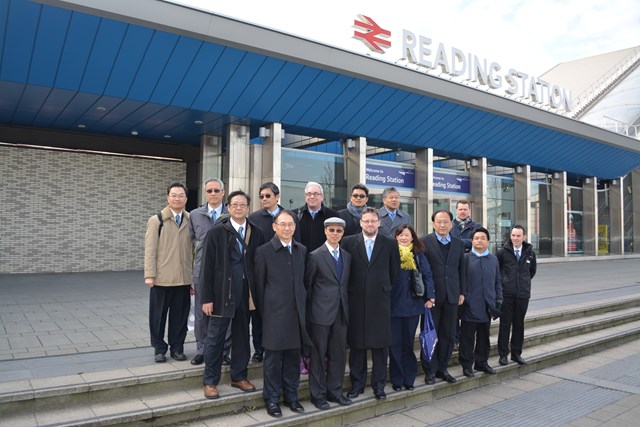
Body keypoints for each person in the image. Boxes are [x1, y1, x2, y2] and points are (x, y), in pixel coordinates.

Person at [200, 190, 265, 400]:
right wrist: (206, 298)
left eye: (243, 205)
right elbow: (206, 267)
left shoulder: (256, 232)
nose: (239, 208)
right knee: (215, 339)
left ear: (248, 208)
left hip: (246, 295)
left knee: (241, 338)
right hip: (221, 295)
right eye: (235, 204)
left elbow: (260, 265)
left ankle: (239, 376)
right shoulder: (217, 232)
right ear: (228, 207)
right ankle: (210, 381)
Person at [254, 210, 312, 418]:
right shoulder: (263, 252)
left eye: (290, 225)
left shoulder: (301, 250)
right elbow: (258, 287)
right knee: (272, 360)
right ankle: (271, 399)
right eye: (283, 224)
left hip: (297, 313)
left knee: (292, 358)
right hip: (274, 314)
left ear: (295, 227)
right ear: (274, 227)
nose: (287, 228)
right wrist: (267, 310)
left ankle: (291, 396)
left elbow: (304, 281)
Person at [341, 207, 400, 400]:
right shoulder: (348, 242)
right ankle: (357, 385)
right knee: (357, 347)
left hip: (380, 303)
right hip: (356, 302)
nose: (369, 224)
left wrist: (384, 289)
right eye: (366, 221)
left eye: (373, 221)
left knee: (380, 348)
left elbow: (394, 273)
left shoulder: (390, 243)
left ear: (379, 222)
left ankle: (379, 386)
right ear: (360, 222)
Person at [305, 217, 352, 410]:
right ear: (325, 232)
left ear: (343, 233)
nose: (335, 234)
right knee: (318, 355)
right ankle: (318, 395)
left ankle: (335, 392)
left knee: (338, 355)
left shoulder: (347, 256)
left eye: (339, 231)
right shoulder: (315, 256)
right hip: (319, 314)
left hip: (340, 314)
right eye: (331, 230)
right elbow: (308, 287)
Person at [144, 182, 193, 363]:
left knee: (180, 317)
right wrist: (150, 274)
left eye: (181, 195)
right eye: (174, 195)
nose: (177, 198)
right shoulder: (157, 220)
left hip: (183, 279)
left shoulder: (191, 220)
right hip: (162, 279)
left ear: (186, 199)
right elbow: (150, 250)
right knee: (158, 316)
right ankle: (159, 348)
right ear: (168, 198)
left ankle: (177, 347)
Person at [420, 210, 466, 385]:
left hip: (452, 296)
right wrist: (426, 295)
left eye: (446, 222)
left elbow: (461, 269)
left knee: (448, 334)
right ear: (433, 223)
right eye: (439, 222)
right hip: (432, 298)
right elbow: (423, 271)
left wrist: (462, 292)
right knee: (431, 334)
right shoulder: (424, 242)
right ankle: (429, 370)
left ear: (451, 224)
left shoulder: (458, 244)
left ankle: (442, 368)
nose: (442, 225)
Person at [390, 224, 435, 391]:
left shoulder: (418, 254)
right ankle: (396, 379)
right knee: (394, 344)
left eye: (406, 235)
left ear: (412, 237)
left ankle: (409, 378)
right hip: (393, 306)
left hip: (413, 305)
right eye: (400, 235)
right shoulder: (391, 253)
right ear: (396, 237)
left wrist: (430, 296)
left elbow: (427, 275)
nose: (403, 238)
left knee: (408, 344)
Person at [188, 178, 228, 366]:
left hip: (225, 273)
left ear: (223, 192)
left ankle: (224, 351)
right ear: (205, 193)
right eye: (209, 191)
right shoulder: (195, 215)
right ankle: (201, 350)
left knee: (224, 312)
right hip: (201, 272)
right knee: (201, 313)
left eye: (216, 190)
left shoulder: (231, 214)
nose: (213, 194)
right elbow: (191, 245)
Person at [247, 182, 284, 363]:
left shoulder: (289, 217)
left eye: (267, 196)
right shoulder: (253, 218)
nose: (264, 199)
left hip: (284, 273)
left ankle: (281, 345)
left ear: (277, 196)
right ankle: (259, 349)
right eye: (261, 196)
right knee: (259, 312)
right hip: (261, 272)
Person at [459, 227, 502, 378]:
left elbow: (497, 281)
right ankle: (466, 365)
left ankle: (482, 362)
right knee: (467, 338)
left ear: (488, 241)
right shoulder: (465, 258)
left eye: (482, 238)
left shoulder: (493, 259)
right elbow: (461, 281)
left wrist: (498, 301)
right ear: (471, 241)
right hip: (469, 305)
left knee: (484, 337)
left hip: (487, 305)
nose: (479, 241)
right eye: (476, 238)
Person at [496, 225, 537, 366]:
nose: (515, 238)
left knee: (519, 325)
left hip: (523, 294)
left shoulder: (530, 252)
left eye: (518, 236)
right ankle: (503, 355)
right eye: (513, 235)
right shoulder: (502, 252)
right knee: (505, 324)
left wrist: (522, 283)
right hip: (507, 294)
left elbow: (531, 271)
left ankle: (516, 354)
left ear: (524, 237)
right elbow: (498, 271)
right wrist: (506, 283)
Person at [295, 182, 339, 252]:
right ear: (305, 197)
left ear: (322, 197)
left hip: (324, 260)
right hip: (301, 259)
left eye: (316, 194)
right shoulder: (296, 215)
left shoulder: (333, 216)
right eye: (309, 194)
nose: (312, 197)